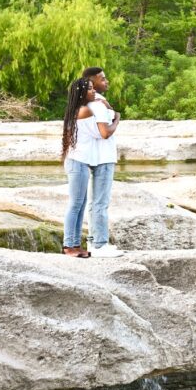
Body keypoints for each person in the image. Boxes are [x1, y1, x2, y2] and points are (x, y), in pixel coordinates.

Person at [60, 77, 110, 258]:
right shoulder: (85, 110)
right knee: (75, 205)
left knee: (80, 205)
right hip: (77, 162)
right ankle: (68, 245)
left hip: (79, 162)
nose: (93, 91)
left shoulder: (80, 109)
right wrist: (114, 116)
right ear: (81, 93)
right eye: (89, 89)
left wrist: (98, 101)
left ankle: (74, 244)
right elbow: (103, 130)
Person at [80, 66, 123, 258]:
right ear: (93, 82)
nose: (107, 82)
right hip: (103, 157)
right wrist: (117, 118)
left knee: (94, 202)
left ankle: (93, 241)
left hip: (96, 155)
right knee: (100, 202)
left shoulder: (91, 102)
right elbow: (107, 128)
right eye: (103, 79)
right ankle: (100, 244)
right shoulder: (97, 103)